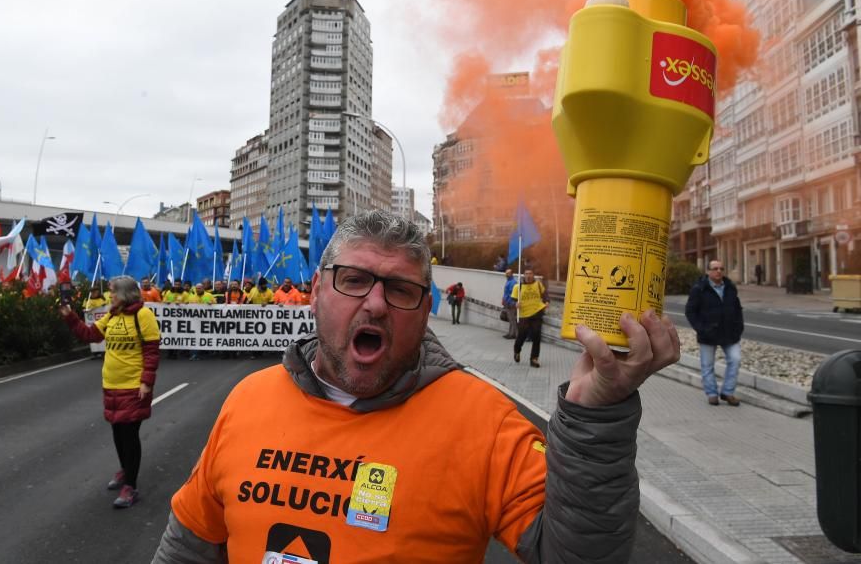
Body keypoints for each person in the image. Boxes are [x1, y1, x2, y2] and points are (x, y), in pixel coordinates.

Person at [151, 210, 680, 562]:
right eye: (354, 280)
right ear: (316, 291)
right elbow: (189, 546)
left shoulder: (482, 419)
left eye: (401, 289)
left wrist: (596, 420)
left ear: (427, 310)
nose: (376, 304)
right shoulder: (249, 399)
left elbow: (576, 555)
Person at [61, 276, 161, 508]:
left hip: (133, 385)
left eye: (113, 292)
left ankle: (131, 486)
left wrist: (146, 381)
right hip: (112, 384)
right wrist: (70, 317)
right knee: (117, 431)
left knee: (129, 434)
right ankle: (125, 470)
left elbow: (152, 351)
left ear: (126, 293)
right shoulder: (113, 314)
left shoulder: (143, 316)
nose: (110, 296)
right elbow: (90, 335)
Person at [685, 259, 744, 406]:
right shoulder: (699, 288)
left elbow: (737, 309)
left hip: (730, 333)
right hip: (708, 334)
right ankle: (711, 393)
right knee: (707, 365)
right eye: (715, 268)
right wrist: (701, 328)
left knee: (735, 359)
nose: (719, 271)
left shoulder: (730, 287)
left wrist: (739, 327)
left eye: (721, 268)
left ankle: (727, 392)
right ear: (708, 271)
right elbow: (690, 311)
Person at [511, 269, 548, 366]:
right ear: (523, 275)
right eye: (526, 273)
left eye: (530, 273)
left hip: (537, 313)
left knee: (536, 336)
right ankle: (517, 351)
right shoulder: (517, 287)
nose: (528, 275)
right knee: (522, 336)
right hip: (523, 316)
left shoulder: (538, 285)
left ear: (533, 275)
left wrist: (547, 301)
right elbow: (511, 300)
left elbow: (545, 295)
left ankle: (534, 359)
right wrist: (515, 304)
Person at [502, 268, 518, 339]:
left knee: (512, 319)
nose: (506, 274)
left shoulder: (513, 282)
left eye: (508, 273)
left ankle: (513, 334)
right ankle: (510, 333)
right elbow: (506, 292)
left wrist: (509, 302)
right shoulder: (508, 281)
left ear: (512, 274)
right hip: (507, 302)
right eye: (506, 273)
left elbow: (512, 294)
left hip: (510, 303)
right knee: (510, 319)